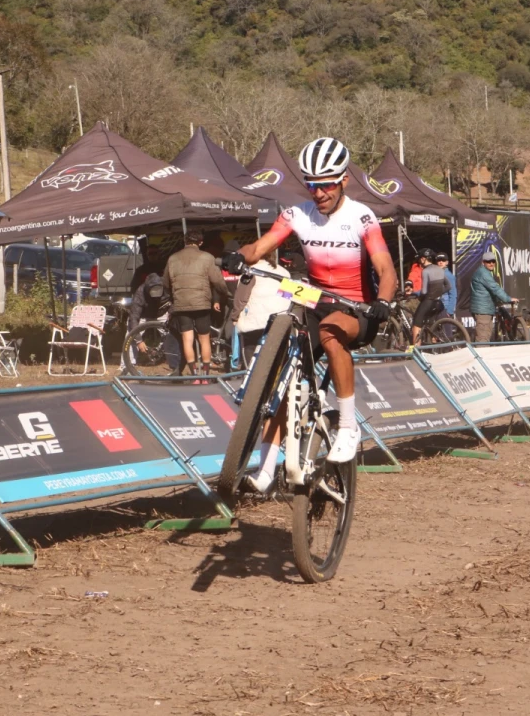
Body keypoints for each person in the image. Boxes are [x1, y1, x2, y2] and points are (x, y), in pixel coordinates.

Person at [228, 136, 397, 474]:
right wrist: (238, 256)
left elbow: (386, 268)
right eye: (311, 185)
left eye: (326, 186)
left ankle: (348, 425)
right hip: (315, 299)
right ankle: (264, 469)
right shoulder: (296, 214)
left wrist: (384, 300)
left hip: (356, 307)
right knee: (283, 372)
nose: (318, 193)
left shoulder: (361, 216)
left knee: (331, 332)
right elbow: (259, 248)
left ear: (344, 180)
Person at [163, 229, 231, 377]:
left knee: (187, 339)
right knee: (204, 338)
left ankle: (194, 374)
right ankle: (205, 375)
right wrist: (225, 293)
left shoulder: (173, 258)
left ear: (185, 241)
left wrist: (174, 295)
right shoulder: (207, 257)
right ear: (200, 242)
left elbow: (165, 282)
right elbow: (217, 281)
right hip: (201, 303)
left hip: (181, 303)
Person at [469, 248, 515, 342]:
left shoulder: (485, 273)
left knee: (486, 336)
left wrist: (498, 301)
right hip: (483, 310)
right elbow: (495, 288)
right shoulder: (483, 273)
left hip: (485, 309)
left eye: (493, 261)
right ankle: (481, 356)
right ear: (483, 262)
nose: (491, 263)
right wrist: (508, 299)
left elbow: (489, 291)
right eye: (488, 261)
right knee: (483, 339)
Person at [410, 249, 451, 344]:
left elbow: (424, 291)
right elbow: (449, 286)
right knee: (430, 323)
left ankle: (416, 350)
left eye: (420, 259)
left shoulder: (425, 271)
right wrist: (439, 292)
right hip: (438, 302)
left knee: (416, 323)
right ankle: (433, 340)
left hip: (429, 301)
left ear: (423, 259)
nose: (420, 261)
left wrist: (415, 293)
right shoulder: (440, 269)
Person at [436, 252, 458, 319]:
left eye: (443, 260)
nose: (441, 262)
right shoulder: (435, 274)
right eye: (439, 260)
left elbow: (453, 294)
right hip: (437, 308)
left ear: (447, 262)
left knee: (446, 329)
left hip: (445, 308)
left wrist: (449, 311)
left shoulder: (448, 275)